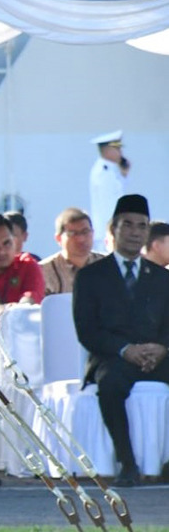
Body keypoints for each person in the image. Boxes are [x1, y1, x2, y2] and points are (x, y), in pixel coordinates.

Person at [73, 194, 169, 487]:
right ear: (113, 228)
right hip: (114, 357)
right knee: (110, 385)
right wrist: (125, 350)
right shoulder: (90, 276)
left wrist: (162, 348)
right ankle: (127, 462)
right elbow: (87, 330)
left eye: (141, 226)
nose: (135, 232)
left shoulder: (161, 277)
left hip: (158, 356)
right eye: (127, 224)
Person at [40, 208, 104, 296]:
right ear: (58, 239)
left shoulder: (108, 264)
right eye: (72, 233)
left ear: (93, 233)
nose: (81, 239)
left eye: (85, 232)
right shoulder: (43, 271)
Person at [88, 130, 127, 249]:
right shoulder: (103, 171)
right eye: (117, 149)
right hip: (106, 231)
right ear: (107, 150)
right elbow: (108, 204)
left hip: (113, 229)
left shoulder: (111, 170)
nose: (120, 152)